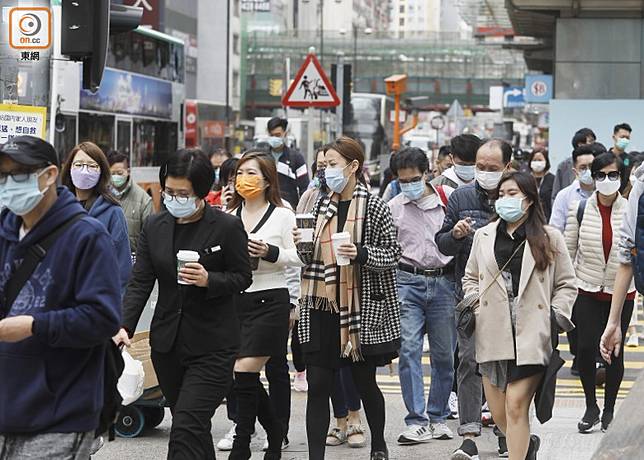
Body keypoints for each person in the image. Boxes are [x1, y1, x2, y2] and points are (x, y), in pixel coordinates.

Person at [114, 148, 252, 459]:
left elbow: (242, 276)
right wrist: (124, 325)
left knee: (186, 426)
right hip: (168, 345)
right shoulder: (155, 226)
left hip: (213, 346)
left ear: (201, 192)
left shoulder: (226, 227)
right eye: (169, 191)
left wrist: (209, 279)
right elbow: (140, 281)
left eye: (183, 193)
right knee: (192, 426)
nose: (174, 199)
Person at [0, 136, 122, 458]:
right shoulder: (4, 232)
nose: (8, 184)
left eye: (18, 174)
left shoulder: (87, 236)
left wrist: (34, 326)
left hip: (59, 414)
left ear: (50, 175)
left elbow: (103, 318)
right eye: (2, 176)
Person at [296, 136, 401, 460]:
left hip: (359, 307)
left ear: (353, 166)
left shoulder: (374, 206)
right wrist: (301, 243)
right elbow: (306, 258)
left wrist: (361, 252)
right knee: (318, 385)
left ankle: (379, 444)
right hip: (321, 304)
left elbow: (393, 254)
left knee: (364, 382)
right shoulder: (317, 204)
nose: (327, 171)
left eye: (333, 164)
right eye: (324, 165)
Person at [463, 171, 577, 460]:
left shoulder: (549, 237)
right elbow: (470, 277)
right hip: (493, 333)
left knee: (515, 406)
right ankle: (527, 448)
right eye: (501, 194)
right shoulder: (484, 235)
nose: (505, 199)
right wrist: (476, 304)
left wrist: (554, 316)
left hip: (533, 335)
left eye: (512, 193)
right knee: (501, 416)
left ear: (529, 199)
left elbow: (566, 283)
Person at [436, 139, 512, 460]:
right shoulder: (461, 197)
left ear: (507, 167)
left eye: (492, 168)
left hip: (508, 300)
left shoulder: (517, 198)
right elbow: (441, 243)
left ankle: (506, 432)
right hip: (468, 297)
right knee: (468, 363)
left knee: (504, 367)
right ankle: (468, 435)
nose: (485, 172)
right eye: (480, 167)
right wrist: (454, 235)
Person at [226, 151, 302, 460]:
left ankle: (242, 443)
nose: (244, 179)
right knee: (238, 373)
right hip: (236, 300)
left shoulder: (283, 215)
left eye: (252, 173)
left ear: (267, 180)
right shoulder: (229, 215)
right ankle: (273, 430)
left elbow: (300, 256)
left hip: (271, 299)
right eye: (240, 173)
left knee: (245, 370)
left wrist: (270, 252)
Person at [388, 147, 457, 445]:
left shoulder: (448, 200)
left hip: (444, 283)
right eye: (403, 181)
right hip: (407, 281)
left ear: (427, 173)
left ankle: (438, 416)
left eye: (414, 179)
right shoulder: (394, 207)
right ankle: (416, 420)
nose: (409, 186)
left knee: (444, 355)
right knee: (409, 351)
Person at [564, 152, 634, 434]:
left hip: (622, 293)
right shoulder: (579, 209)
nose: (607, 180)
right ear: (592, 178)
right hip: (587, 288)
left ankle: (609, 411)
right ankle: (591, 407)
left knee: (614, 352)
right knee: (585, 348)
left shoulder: (630, 210)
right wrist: (566, 290)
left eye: (613, 175)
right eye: (601, 175)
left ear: (621, 177)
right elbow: (568, 252)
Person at [61, 142, 131, 293]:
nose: (84, 171)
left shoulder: (113, 213)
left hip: (96, 298)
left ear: (102, 171)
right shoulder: (58, 209)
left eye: (92, 166)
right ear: (69, 168)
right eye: (78, 164)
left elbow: (121, 268)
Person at [549, 142, 606, 233]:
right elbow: (556, 230)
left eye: (591, 166)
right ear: (575, 171)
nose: (588, 171)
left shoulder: (605, 192)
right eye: (583, 168)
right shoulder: (564, 196)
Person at [107, 150, 154, 253]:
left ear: (128, 171)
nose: (116, 176)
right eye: (112, 173)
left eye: (120, 173)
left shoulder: (143, 200)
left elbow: (151, 236)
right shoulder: (102, 195)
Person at [266, 117, 309, 208]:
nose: (274, 138)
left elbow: (304, 187)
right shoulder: (262, 157)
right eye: (272, 135)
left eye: (278, 135)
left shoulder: (296, 158)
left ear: (285, 134)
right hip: (266, 206)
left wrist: (302, 209)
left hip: (289, 207)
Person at [551, 128, 596, 203]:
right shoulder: (564, 166)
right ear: (580, 144)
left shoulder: (597, 162)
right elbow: (555, 194)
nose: (593, 144)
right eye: (590, 141)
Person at [528, 147, 555, 221]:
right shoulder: (526, 179)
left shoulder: (553, 180)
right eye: (534, 160)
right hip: (529, 220)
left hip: (547, 219)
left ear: (546, 161)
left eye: (540, 160)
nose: (537, 163)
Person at [609, 123, 633, 193]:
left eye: (627, 138)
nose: (625, 140)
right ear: (614, 137)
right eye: (622, 137)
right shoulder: (604, 158)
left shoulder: (630, 159)